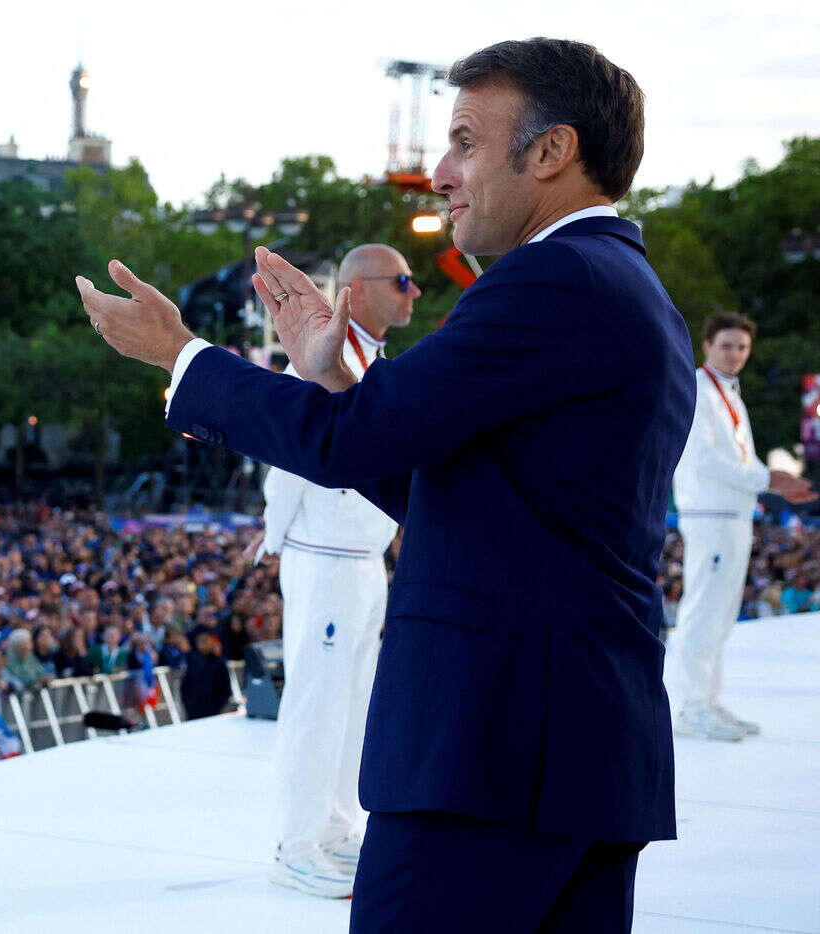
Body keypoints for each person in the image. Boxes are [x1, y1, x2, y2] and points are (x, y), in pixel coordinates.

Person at [79, 38, 695, 931]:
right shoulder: (624, 285)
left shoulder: (549, 280)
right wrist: (332, 378)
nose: (441, 173)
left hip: (490, 752)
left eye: (465, 142)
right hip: (573, 752)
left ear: (552, 151)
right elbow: (474, 497)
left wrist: (183, 358)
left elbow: (348, 445)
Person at [249, 243, 417, 897]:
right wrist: (273, 532)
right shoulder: (318, 355)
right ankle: (296, 843)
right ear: (357, 291)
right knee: (317, 705)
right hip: (324, 557)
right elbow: (288, 452)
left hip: (364, 558)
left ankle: (336, 826)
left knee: (353, 705)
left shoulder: (376, 364)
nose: (415, 292)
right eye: (402, 280)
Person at [667, 313, 814, 740]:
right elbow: (706, 459)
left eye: (742, 347)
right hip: (710, 515)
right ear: (708, 345)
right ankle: (693, 708)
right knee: (703, 612)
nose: (735, 354)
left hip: (732, 514)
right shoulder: (698, 388)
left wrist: (773, 480)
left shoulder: (727, 392)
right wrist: (771, 480)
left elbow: (737, 462)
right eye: (727, 345)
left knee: (721, 615)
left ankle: (708, 702)